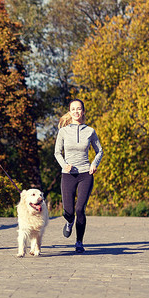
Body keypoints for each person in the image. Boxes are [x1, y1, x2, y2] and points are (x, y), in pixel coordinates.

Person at [54, 99, 103, 253]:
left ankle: (79, 242)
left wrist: (94, 164)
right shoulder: (63, 131)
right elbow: (57, 152)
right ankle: (69, 222)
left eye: (79, 109)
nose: (76, 112)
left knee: (80, 209)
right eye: (73, 109)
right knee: (68, 211)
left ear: (83, 112)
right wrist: (64, 165)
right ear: (70, 112)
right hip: (68, 174)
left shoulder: (90, 131)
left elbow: (99, 151)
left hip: (85, 174)